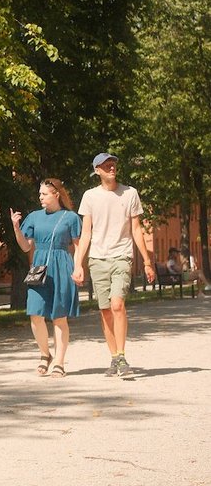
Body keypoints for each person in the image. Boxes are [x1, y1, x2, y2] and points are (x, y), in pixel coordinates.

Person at [72, 153, 156, 377]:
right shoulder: (89, 196)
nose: (111, 167)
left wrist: (147, 261)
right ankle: (113, 358)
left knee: (117, 305)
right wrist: (78, 264)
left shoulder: (130, 193)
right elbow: (86, 233)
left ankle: (121, 355)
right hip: (98, 259)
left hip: (122, 256)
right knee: (105, 310)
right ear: (97, 170)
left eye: (113, 164)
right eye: (106, 165)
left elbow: (137, 229)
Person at [10, 178, 82, 378]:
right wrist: (16, 228)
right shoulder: (34, 216)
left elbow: (78, 246)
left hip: (62, 266)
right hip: (39, 266)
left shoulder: (70, 217)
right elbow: (26, 246)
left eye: (44, 194)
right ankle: (45, 354)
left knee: (59, 317)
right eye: (40, 194)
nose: (40, 197)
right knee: (35, 314)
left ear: (56, 194)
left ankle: (59, 362)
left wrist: (78, 267)